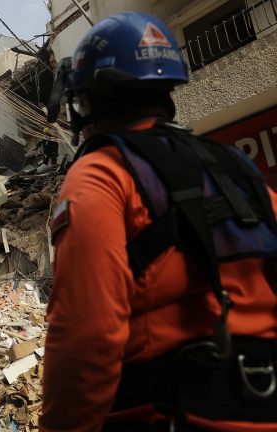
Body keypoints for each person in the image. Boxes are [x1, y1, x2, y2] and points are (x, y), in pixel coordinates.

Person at [40, 12, 277, 432]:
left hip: (174, 412)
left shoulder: (101, 174)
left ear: (88, 101)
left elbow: (86, 340)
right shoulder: (235, 166)